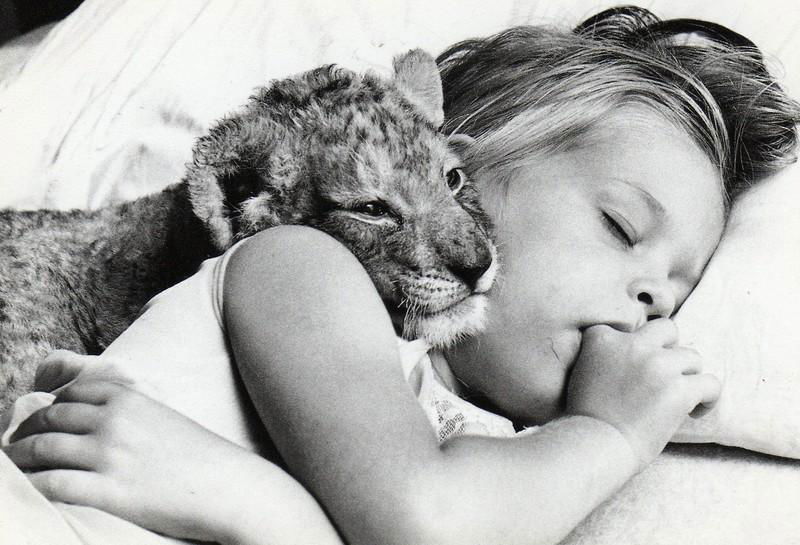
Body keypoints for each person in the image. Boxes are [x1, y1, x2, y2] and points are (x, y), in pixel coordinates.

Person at [3, 7, 799, 545]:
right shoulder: (306, 268)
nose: (653, 299)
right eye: (622, 226)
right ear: (460, 165)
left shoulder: (514, 471)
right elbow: (423, 523)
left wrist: (256, 501)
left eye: (678, 290)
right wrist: (610, 435)